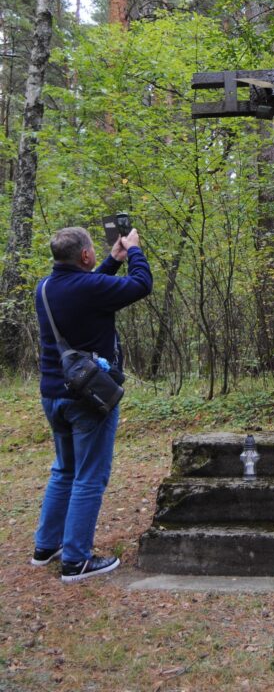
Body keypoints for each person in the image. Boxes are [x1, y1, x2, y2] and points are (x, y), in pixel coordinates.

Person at [32, 225, 152, 583]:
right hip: (89, 397)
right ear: (84, 255)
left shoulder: (45, 288)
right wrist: (132, 252)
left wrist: (110, 262)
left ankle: (46, 547)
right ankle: (76, 560)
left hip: (54, 395)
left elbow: (86, 290)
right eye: (92, 254)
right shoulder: (88, 289)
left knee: (64, 470)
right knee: (89, 477)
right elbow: (141, 285)